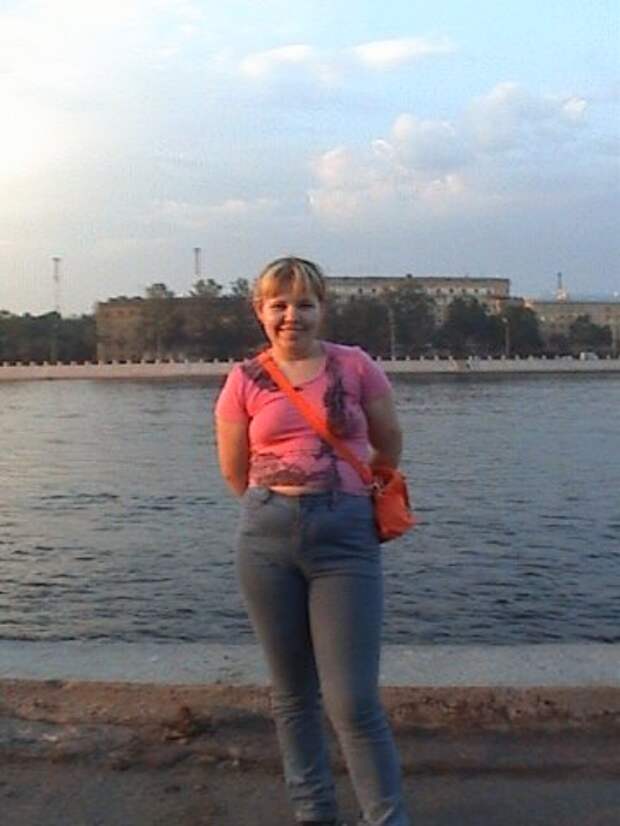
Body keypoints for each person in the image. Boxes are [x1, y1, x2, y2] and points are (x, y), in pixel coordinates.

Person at [214, 257, 410, 826]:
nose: (291, 316)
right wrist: (281, 501)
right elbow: (234, 470)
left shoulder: (355, 366)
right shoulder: (244, 379)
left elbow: (389, 441)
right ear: (260, 311)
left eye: (304, 304)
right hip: (266, 538)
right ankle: (313, 813)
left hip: (345, 536)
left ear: (322, 309)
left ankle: (386, 818)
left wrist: (345, 492)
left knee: (353, 699)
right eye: (278, 305)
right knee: (292, 693)